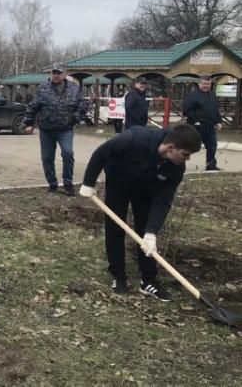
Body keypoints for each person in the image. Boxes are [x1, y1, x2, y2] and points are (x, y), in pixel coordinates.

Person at [79, 124, 201, 301]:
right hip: (118, 182)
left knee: (145, 232)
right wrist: (88, 183)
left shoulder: (176, 167)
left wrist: (151, 233)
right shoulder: (133, 139)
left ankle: (148, 280)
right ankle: (118, 275)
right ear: (170, 148)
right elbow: (101, 154)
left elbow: (163, 201)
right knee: (115, 227)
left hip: (146, 189)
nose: (187, 159)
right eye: (185, 154)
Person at [24, 64, 87, 196]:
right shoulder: (43, 88)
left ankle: (68, 182)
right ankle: (52, 184)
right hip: (46, 130)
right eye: (54, 73)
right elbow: (32, 106)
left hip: (65, 129)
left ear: (65, 74)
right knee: (47, 158)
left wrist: (74, 119)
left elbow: (83, 105)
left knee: (68, 153)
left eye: (59, 73)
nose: (56, 75)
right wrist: (29, 123)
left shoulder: (74, 89)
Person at [182, 75, 223, 171]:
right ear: (199, 83)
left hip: (210, 126)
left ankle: (211, 166)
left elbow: (215, 109)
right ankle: (179, 165)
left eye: (208, 84)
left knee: (212, 146)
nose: (206, 86)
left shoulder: (212, 94)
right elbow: (186, 110)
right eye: (204, 83)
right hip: (196, 127)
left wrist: (219, 121)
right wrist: (196, 121)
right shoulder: (193, 95)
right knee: (189, 146)